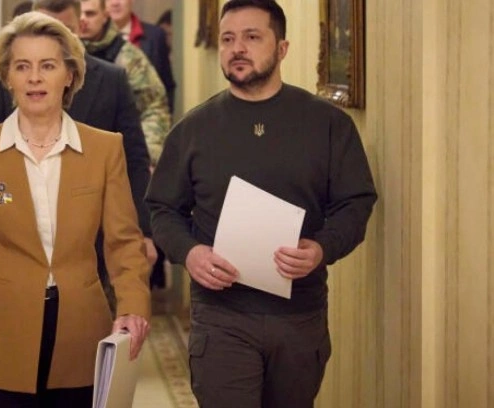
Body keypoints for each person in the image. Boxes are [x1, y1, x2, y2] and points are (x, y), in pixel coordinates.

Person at [145, 1, 378, 407]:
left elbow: (355, 203)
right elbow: (162, 209)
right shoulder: (193, 130)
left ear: (282, 48)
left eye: (252, 37)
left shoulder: (327, 124)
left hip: (299, 315)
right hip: (221, 316)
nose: (237, 48)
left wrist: (322, 248)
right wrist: (191, 253)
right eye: (228, 39)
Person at [0, 11, 151, 407]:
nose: (34, 78)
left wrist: (133, 307)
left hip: (81, 334)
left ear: (70, 75)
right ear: (7, 77)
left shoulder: (104, 149)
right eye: (22, 66)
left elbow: (123, 243)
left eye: (47, 65)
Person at [0, 0, 158, 309]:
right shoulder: (10, 77)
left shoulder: (112, 79)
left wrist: (143, 231)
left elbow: (134, 160)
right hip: (19, 238)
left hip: (93, 240)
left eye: (62, 30)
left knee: (91, 324)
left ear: (79, 28)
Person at [79, 0, 170, 166]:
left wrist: (147, 158)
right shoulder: (60, 54)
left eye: (90, 14)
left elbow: (154, 108)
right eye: (78, 13)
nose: (83, 19)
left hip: (117, 159)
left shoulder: (128, 57)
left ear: (105, 16)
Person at [105, 0, 175, 112]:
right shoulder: (90, 39)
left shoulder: (156, 36)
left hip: (149, 117)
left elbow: (167, 84)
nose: (115, 3)